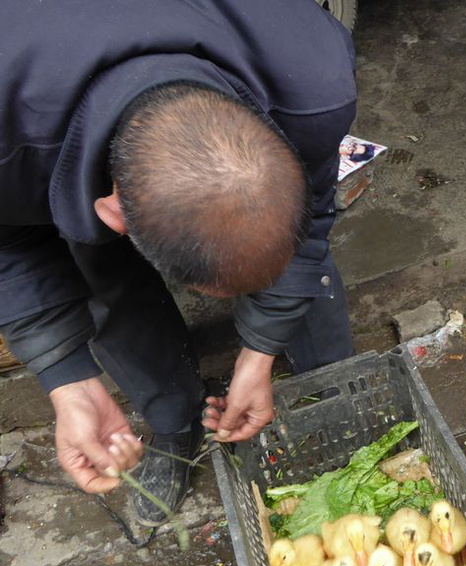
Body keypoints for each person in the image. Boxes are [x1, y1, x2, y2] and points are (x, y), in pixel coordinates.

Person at [0, 0, 357, 527]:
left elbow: (313, 220)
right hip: (35, 105)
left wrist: (258, 354)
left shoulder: (313, 78)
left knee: (302, 260)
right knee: (105, 280)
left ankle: (331, 381)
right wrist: (66, 377)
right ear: (112, 213)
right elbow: (9, 245)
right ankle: (173, 421)